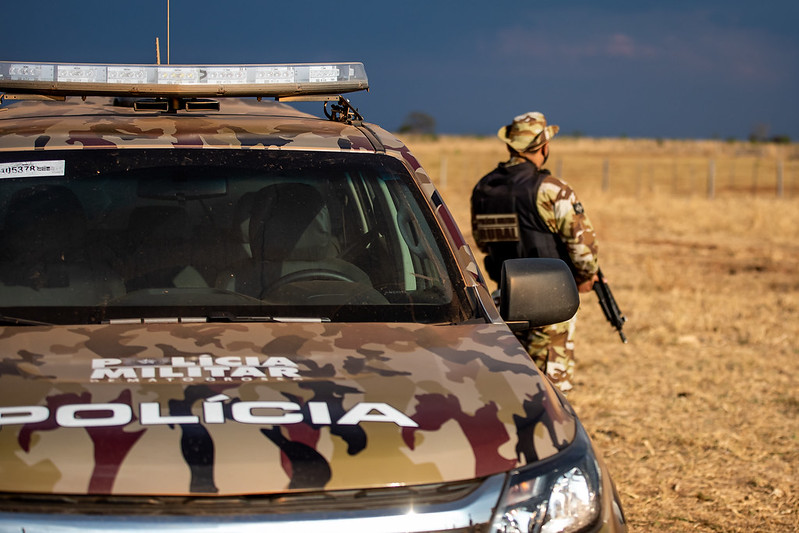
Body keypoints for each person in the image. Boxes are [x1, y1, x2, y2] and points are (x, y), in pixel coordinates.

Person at [471, 111, 599, 392]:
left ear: (510, 146)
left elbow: (482, 243)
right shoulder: (552, 189)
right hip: (550, 306)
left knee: (509, 388)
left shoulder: (484, 188)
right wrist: (584, 276)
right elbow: (583, 248)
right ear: (544, 147)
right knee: (550, 394)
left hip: (504, 302)